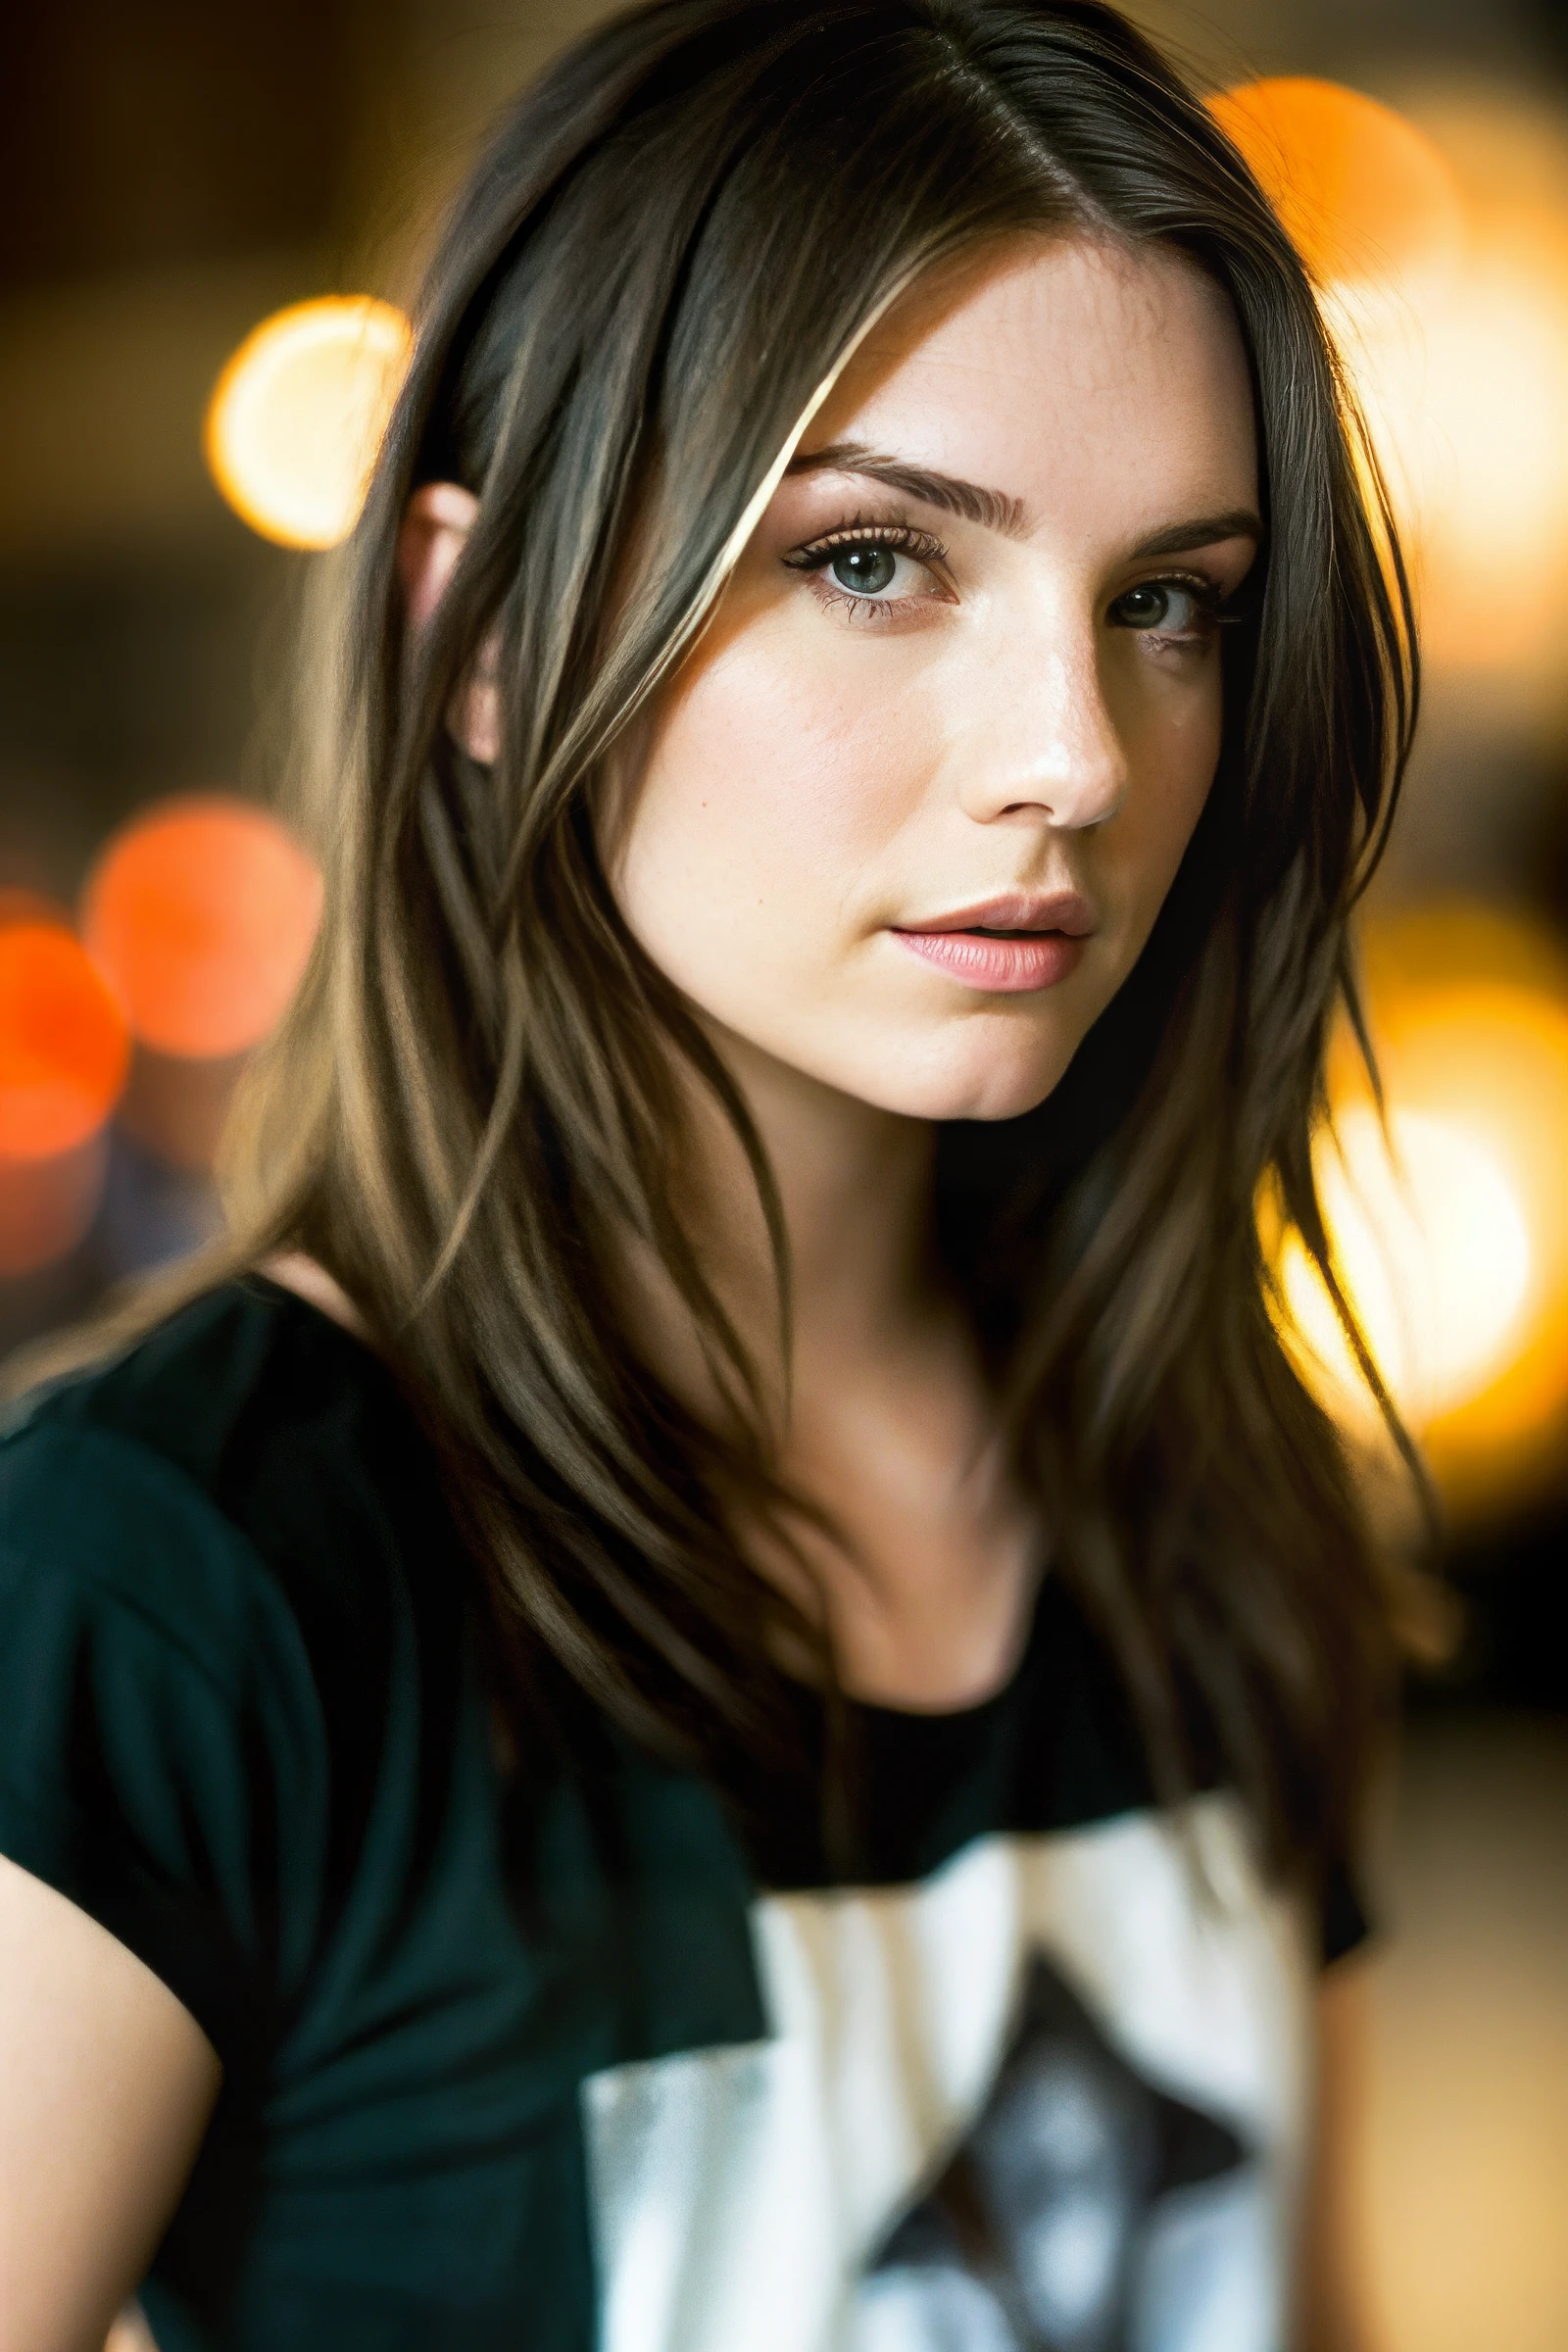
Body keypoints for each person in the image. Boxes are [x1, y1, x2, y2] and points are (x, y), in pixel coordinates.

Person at [0, 3, 1414, 2346]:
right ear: (472, 624)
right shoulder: (161, 1595)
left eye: (1166, 598)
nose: (1068, 753)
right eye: (872, 561)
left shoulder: (1210, 1485)